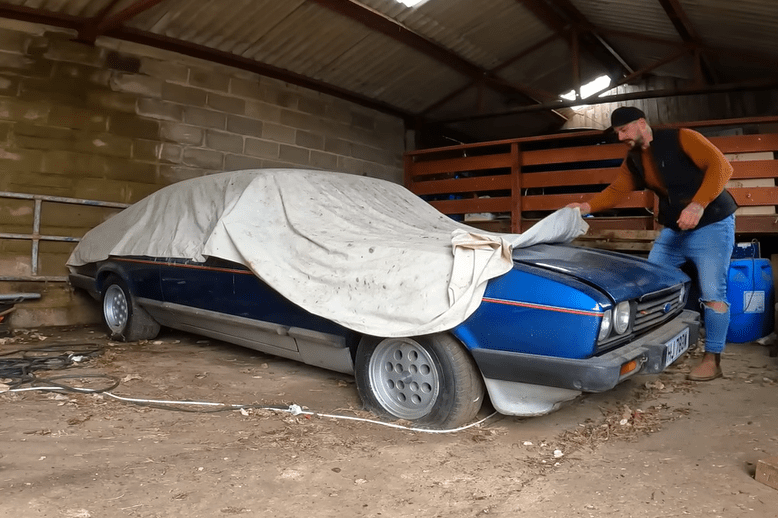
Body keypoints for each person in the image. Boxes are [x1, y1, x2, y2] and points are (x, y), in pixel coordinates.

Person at [568, 106, 737, 381]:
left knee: (712, 293)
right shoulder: (634, 158)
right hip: (675, 229)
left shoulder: (683, 138)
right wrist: (586, 206)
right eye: (617, 132)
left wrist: (697, 205)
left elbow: (721, 167)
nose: (620, 137)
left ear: (641, 124)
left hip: (712, 224)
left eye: (624, 130)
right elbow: (617, 190)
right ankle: (655, 347)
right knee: (650, 286)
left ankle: (713, 360)